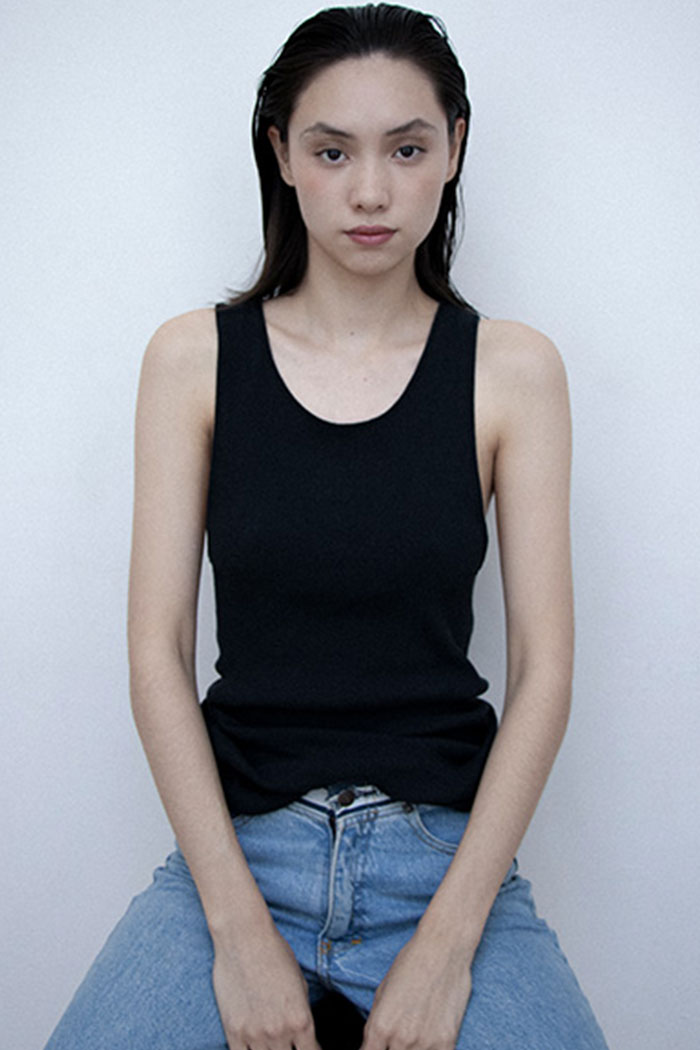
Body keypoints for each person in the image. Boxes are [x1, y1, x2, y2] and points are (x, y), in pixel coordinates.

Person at [44, 4, 610, 1049]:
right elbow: (157, 654)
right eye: (332, 150)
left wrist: (446, 947)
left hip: (442, 861)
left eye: (407, 148)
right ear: (282, 155)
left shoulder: (513, 372)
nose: (370, 191)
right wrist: (236, 934)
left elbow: (544, 674)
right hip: (239, 854)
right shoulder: (192, 361)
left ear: (455, 148)